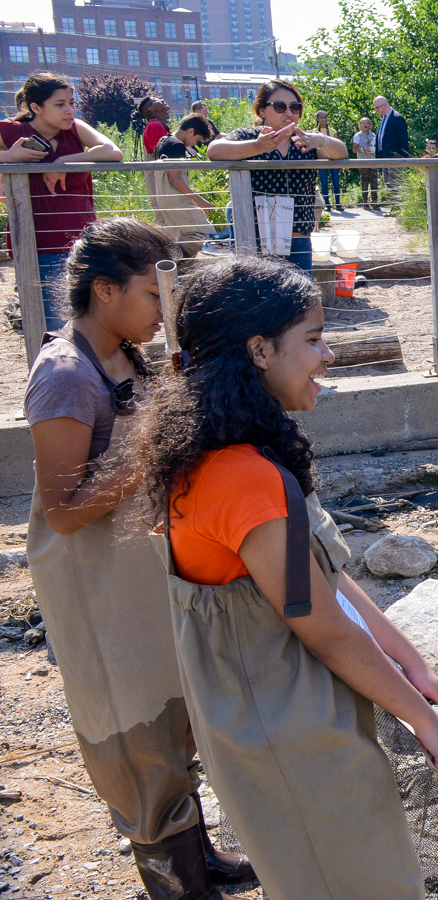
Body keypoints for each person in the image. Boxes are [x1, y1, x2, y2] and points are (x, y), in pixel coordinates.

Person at [129, 256, 438, 899]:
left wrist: (409, 662)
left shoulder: (219, 455)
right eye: (312, 339)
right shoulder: (248, 479)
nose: (328, 355)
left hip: (274, 725)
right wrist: (428, 725)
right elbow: (326, 629)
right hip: (290, 737)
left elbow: (322, 578)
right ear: (259, 350)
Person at [25, 219, 255, 900]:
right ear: (104, 289)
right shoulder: (66, 376)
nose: (167, 309)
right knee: (134, 734)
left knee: (171, 718)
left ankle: (198, 856)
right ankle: (175, 884)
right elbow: (63, 511)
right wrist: (156, 446)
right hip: (98, 592)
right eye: (154, 293)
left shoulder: (129, 354)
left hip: (141, 578)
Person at [0, 72, 124, 332]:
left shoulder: (76, 128)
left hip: (85, 243)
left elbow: (114, 152)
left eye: (72, 102)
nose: (69, 110)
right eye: (60, 104)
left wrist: (62, 163)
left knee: (94, 323)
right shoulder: (11, 131)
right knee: (57, 327)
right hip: (39, 245)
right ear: (36, 108)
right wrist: (9, 156)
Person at [207, 80, 347, 272]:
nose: (289, 113)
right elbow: (213, 151)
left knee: (300, 299)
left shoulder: (306, 139)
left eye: (295, 107)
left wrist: (322, 140)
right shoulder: (248, 136)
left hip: (298, 237)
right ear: (261, 110)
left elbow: (342, 153)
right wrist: (257, 147)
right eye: (280, 107)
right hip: (256, 237)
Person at [150, 115, 217, 257]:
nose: (194, 143)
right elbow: (175, 178)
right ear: (190, 131)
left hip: (165, 200)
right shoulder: (177, 145)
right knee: (209, 236)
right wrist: (200, 200)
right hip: (177, 200)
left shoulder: (164, 140)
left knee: (178, 239)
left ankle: (177, 267)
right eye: (197, 139)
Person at [372, 95, 410, 214]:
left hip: (395, 158)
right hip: (385, 158)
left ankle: (398, 208)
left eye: (377, 108)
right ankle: (396, 207)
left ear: (384, 105)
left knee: (395, 183)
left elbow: (404, 140)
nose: (376, 110)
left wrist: (406, 159)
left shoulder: (397, 118)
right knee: (388, 182)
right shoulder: (385, 118)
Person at [311, 110, 344, 213]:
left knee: (336, 182)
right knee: (324, 182)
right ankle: (327, 204)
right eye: (321, 118)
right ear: (317, 119)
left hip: (333, 159)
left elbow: (337, 145)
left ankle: (338, 203)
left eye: (325, 117)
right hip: (321, 161)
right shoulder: (314, 131)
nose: (323, 120)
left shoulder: (333, 131)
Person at [351, 116, 380, 210]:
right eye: (363, 123)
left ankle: (375, 202)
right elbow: (354, 149)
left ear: (370, 125)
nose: (365, 124)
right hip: (362, 162)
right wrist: (363, 149)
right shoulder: (357, 136)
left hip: (373, 161)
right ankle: (365, 202)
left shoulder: (373, 135)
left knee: (374, 182)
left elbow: (376, 147)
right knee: (364, 182)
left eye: (367, 123)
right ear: (360, 125)